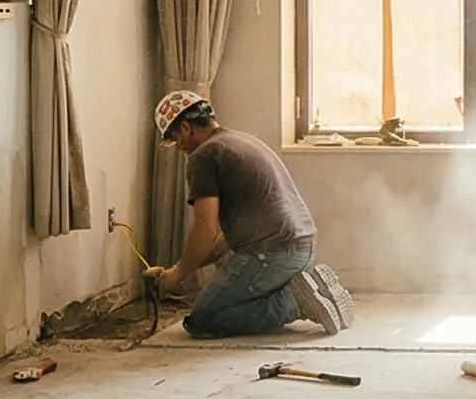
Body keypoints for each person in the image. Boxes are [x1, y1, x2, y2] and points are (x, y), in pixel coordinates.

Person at [147, 90, 354, 337]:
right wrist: (176, 270)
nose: (179, 147)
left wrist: (177, 275)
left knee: (202, 320)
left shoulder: (204, 156)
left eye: (175, 138)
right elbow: (221, 239)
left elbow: (205, 231)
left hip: (272, 255)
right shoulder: (241, 141)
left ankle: (294, 302)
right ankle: (311, 290)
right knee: (234, 295)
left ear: (186, 128)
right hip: (302, 250)